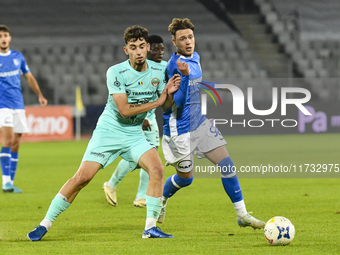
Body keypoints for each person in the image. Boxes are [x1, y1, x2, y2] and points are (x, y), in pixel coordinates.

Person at [27, 25, 182, 241]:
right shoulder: (116, 72)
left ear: (148, 47)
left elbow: (166, 107)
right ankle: (44, 223)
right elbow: (124, 110)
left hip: (134, 133)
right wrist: (157, 101)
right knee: (82, 178)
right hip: (109, 131)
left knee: (156, 168)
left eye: (141, 46)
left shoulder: (159, 71)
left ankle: (150, 228)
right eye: (132, 47)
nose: (138, 51)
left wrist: (170, 95)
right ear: (125, 50)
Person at [158, 18, 265, 230]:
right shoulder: (175, 66)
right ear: (174, 42)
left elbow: (195, 85)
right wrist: (185, 76)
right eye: (182, 39)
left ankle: (242, 214)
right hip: (180, 129)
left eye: (190, 37)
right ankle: (160, 198)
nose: (188, 42)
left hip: (200, 123)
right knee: (186, 179)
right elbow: (176, 102)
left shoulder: (195, 57)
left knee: (227, 165)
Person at [103, 35, 167, 208]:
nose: (159, 52)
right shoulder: (131, 69)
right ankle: (131, 193)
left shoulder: (163, 68)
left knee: (144, 155)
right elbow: (131, 95)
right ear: (147, 48)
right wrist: (143, 118)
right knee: (147, 154)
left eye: (162, 49)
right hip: (139, 115)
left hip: (149, 114)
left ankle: (124, 189)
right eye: (156, 49)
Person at [0, 25, 48, 193]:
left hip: (18, 105)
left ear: (10, 38)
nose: (3, 39)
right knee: (6, 140)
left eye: (5, 35)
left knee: (15, 143)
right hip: (2, 106)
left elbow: (29, 77)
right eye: (0, 36)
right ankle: (5, 182)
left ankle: (11, 183)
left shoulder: (17, 57)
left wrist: (40, 95)